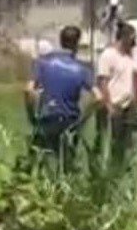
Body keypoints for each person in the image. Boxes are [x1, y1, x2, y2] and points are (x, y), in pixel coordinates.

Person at [26, 24, 94, 168]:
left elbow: (29, 90)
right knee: (66, 166)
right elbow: (99, 97)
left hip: (46, 117)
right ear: (77, 44)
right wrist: (84, 119)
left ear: (61, 41)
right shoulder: (82, 68)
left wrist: (31, 115)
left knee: (36, 163)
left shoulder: (42, 62)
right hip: (70, 121)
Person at [95, 20, 137, 165]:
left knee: (123, 145)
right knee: (107, 141)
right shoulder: (108, 55)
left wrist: (133, 99)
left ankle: (118, 168)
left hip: (127, 105)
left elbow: (129, 80)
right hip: (113, 105)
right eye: (132, 39)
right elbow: (102, 82)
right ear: (124, 38)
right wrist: (109, 105)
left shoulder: (129, 57)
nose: (134, 43)